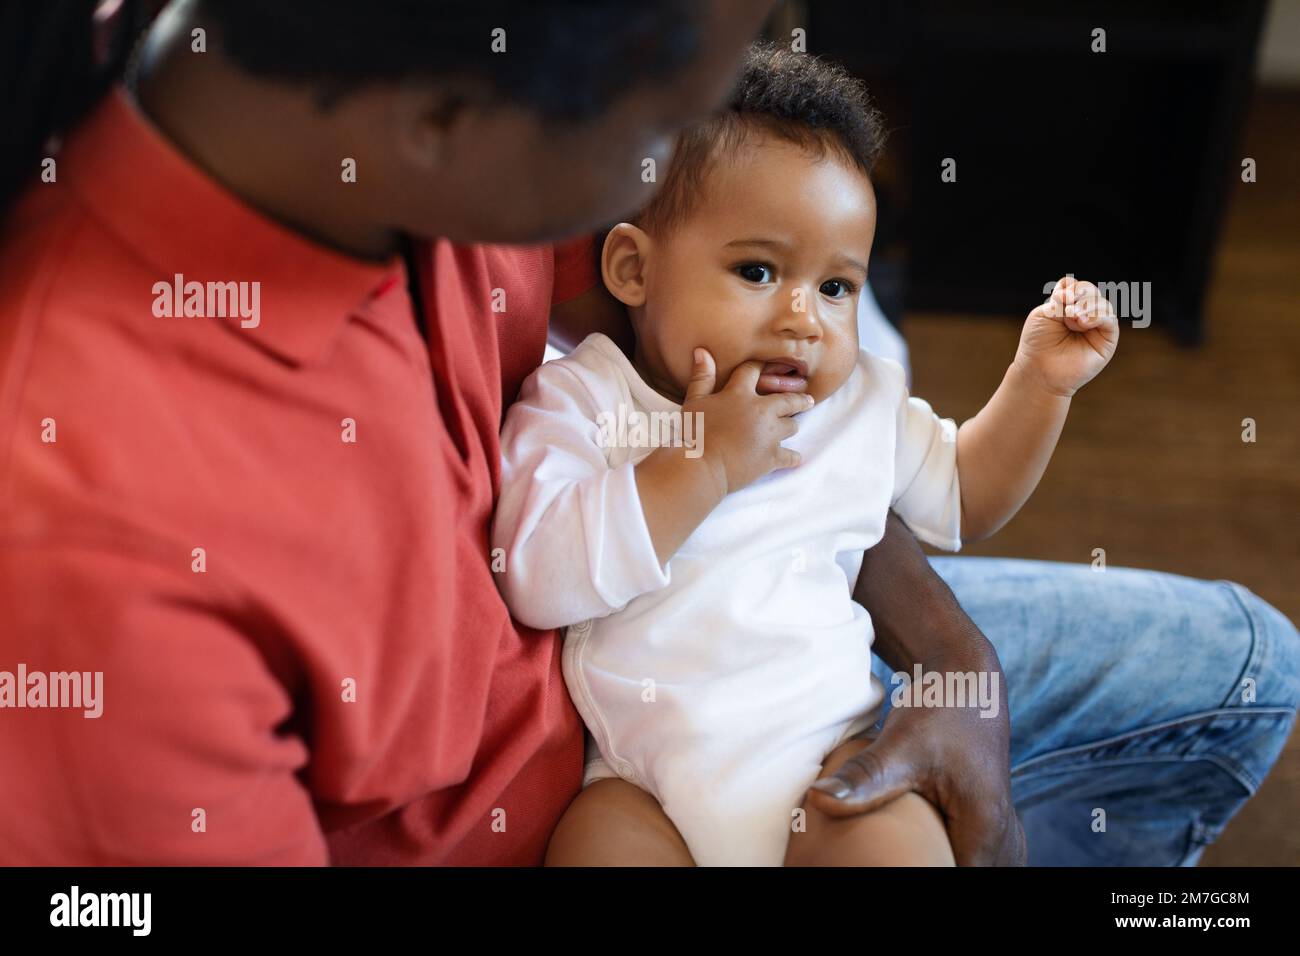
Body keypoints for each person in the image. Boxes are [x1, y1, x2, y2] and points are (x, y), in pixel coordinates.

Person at [0, 0, 1292, 867]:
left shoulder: (380, 98)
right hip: (583, 814)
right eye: (671, 126)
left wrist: (959, 667)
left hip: (763, 672)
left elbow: (804, 428)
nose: (704, 154)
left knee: (1248, 665)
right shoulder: (93, 551)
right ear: (442, 133)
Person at [492, 44, 1121, 866]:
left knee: (893, 847)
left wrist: (1039, 387)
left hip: (832, 762)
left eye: (838, 287)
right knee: (592, 849)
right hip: (639, 789)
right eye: (757, 270)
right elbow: (535, 575)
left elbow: (965, 497)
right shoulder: (585, 398)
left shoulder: (856, 400)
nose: (805, 318)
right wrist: (701, 464)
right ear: (632, 268)